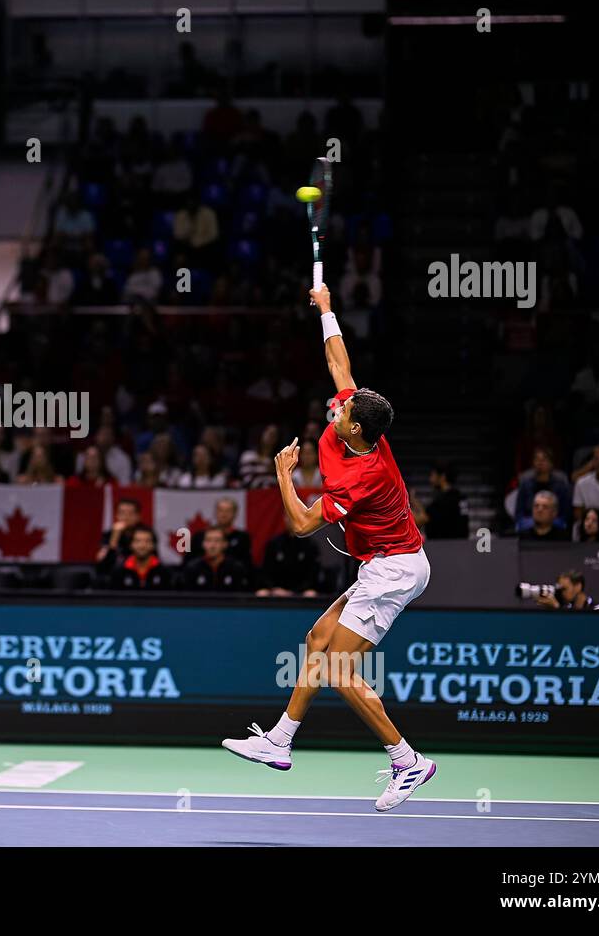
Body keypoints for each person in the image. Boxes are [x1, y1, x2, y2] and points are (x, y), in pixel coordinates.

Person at [222, 283, 434, 813]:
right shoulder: (358, 426)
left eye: (341, 413)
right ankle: (280, 740)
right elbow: (340, 364)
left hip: (396, 570)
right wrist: (328, 311)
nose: (333, 409)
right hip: (381, 563)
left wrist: (283, 476)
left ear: (355, 428)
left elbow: (299, 525)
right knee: (317, 639)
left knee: (339, 668)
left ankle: (407, 760)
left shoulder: (362, 476)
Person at [256, 531, 322, 597]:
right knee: (261, 593)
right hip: (277, 590)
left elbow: (312, 574)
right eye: (289, 520)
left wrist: (294, 591)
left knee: (310, 594)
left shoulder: (309, 544)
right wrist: (273, 588)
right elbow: (266, 571)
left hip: (301, 591)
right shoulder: (275, 542)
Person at [182, 529, 248, 591]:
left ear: (225, 544)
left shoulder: (236, 568)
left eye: (217, 541)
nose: (212, 545)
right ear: (203, 544)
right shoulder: (192, 568)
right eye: (208, 540)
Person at [96, 498, 142, 577]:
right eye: (122, 513)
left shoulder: (145, 534)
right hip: (115, 576)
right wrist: (115, 536)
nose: (126, 517)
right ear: (117, 515)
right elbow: (102, 565)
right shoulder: (109, 535)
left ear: (138, 516)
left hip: (139, 576)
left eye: (130, 513)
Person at [424, 460, 469, 539]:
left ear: (442, 477)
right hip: (461, 546)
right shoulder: (461, 497)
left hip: (443, 546)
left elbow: (424, 518)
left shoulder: (440, 502)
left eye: (432, 475)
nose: (430, 479)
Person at [534, 570, 599, 612]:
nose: (561, 593)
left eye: (564, 589)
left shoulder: (598, 608)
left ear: (578, 587)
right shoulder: (567, 607)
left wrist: (557, 608)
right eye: (559, 589)